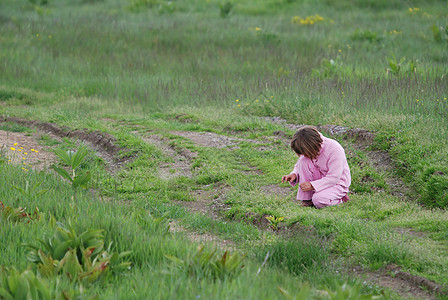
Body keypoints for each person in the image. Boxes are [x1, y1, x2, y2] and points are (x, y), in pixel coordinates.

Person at [281, 125, 351, 208]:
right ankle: (307, 199)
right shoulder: (311, 149)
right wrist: (294, 174)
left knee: (319, 201)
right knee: (304, 161)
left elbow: (334, 177)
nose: (304, 155)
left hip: (336, 183)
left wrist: (312, 185)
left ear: (312, 146)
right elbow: (299, 163)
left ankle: (340, 199)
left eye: (305, 153)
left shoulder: (334, 149)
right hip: (319, 181)